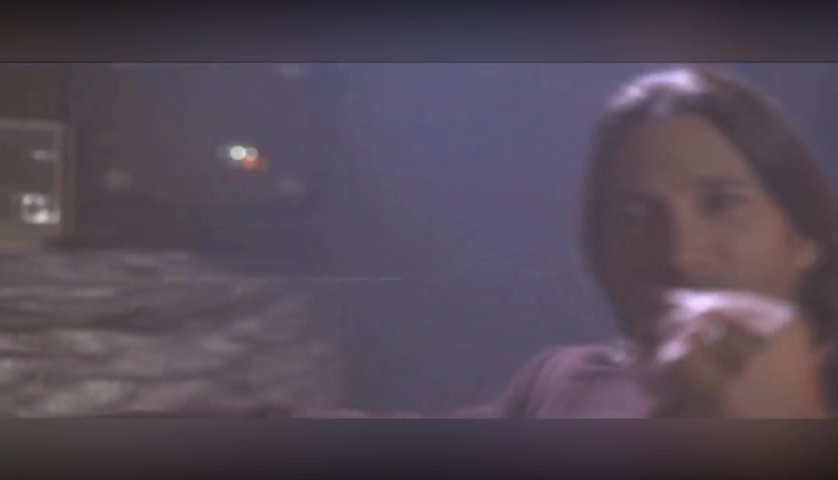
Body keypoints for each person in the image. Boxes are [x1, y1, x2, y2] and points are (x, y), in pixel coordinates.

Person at [105, 65, 838, 418]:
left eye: (722, 204)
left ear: (804, 236)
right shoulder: (564, 386)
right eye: (634, 217)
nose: (680, 255)